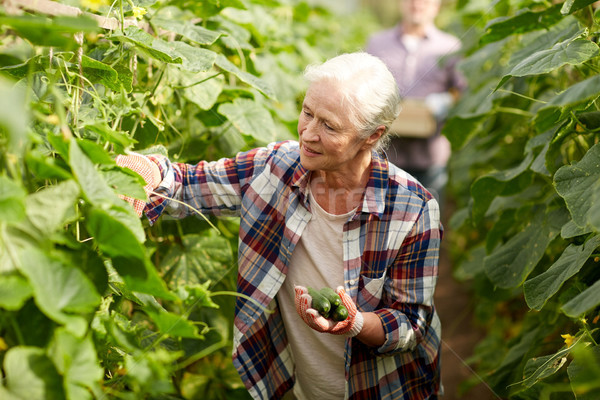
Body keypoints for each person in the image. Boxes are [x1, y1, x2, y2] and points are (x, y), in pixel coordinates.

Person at [117, 52, 443, 399]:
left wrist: (356, 323)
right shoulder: (274, 168)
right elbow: (187, 183)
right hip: (297, 385)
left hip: (385, 389)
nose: (308, 134)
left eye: (329, 126)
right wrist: (143, 172)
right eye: (307, 113)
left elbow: (411, 324)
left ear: (371, 136)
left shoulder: (412, 209)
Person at [365, 0, 466, 206]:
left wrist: (446, 100)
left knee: (427, 224)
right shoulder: (377, 43)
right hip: (384, 155)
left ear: (437, 6)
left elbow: (462, 89)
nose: (417, 4)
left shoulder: (450, 46)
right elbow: (365, 84)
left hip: (430, 156)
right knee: (380, 225)